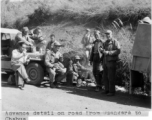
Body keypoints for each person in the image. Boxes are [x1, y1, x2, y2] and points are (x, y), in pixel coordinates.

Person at [101, 30, 121, 96]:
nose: (107, 35)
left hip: (112, 62)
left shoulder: (115, 42)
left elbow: (118, 51)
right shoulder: (105, 42)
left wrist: (109, 53)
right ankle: (106, 90)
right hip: (105, 61)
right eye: (106, 34)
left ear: (112, 34)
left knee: (111, 77)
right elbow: (103, 50)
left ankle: (112, 92)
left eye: (109, 34)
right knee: (105, 77)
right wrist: (102, 50)